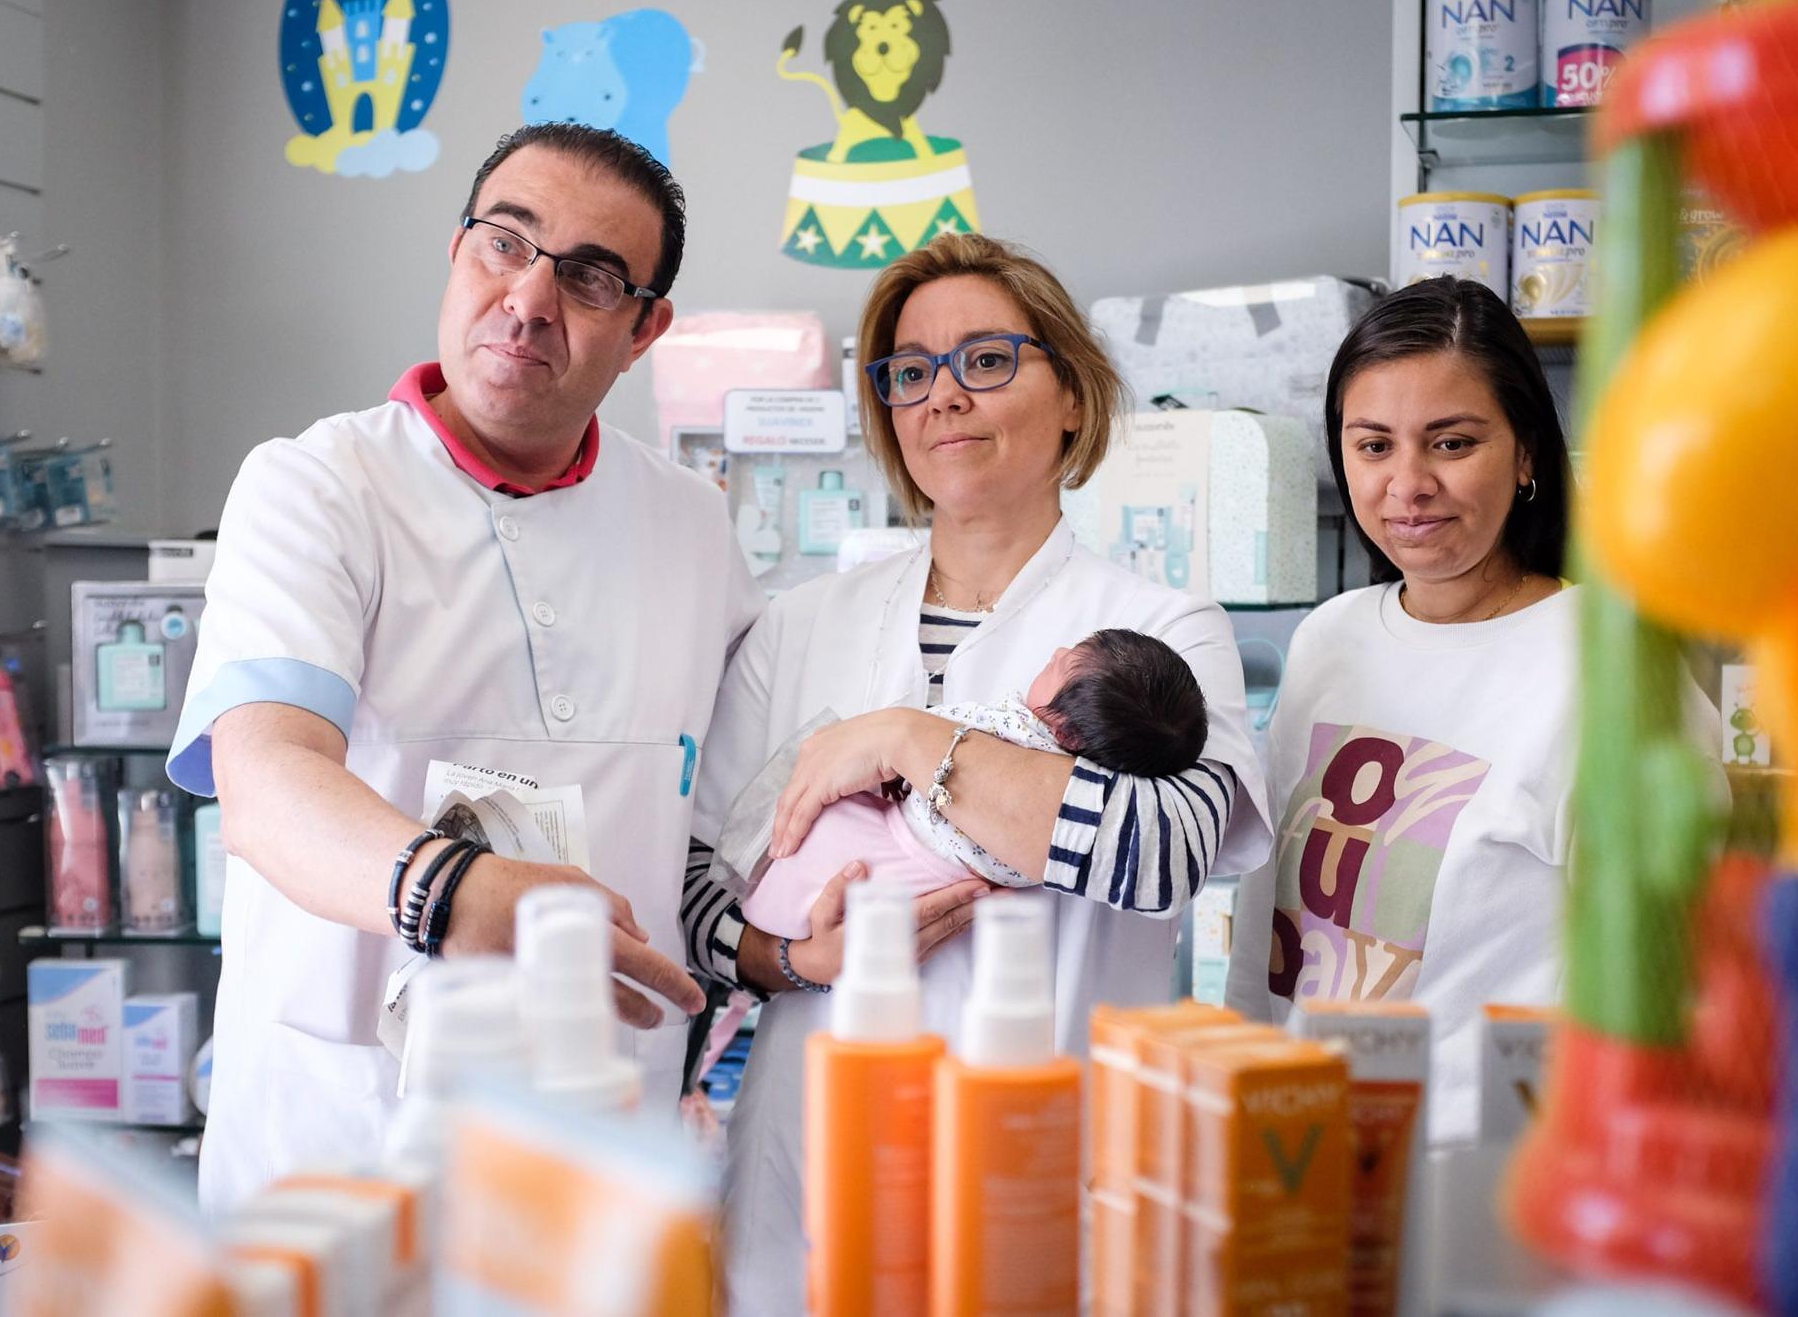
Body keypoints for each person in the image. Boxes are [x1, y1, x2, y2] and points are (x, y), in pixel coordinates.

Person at [165, 123, 762, 1209]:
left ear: (642, 331)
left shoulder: (690, 525)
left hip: (598, 1140)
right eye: (505, 242)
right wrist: (454, 891)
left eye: (588, 276)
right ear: (457, 253)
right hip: (340, 1141)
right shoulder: (316, 486)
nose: (530, 298)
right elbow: (264, 780)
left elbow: (724, 809)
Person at [685, 232, 1272, 1313]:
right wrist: (788, 955)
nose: (942, 396)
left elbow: (1158, 854)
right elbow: (691, 894)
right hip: (810, 1171)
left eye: (986, 360)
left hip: (1054, 1163)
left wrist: (913, 742)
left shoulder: (1160, 627)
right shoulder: (798, 625)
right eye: (909, 372)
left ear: (1070, 397)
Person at [1222, 276, 1716, 1141]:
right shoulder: (1329, 638)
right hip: (1294, 1144)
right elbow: (1273, 920)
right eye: (1373, 446)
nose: (1407, 485)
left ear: (1526, 454)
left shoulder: (1614, 671)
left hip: (1487, 1183)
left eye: (1451, 443)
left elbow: (1685, 988)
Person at [740, 626, 1211, 937]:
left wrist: (901, 736)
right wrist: (792, 964)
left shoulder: (1011, 726)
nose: (1058, 651)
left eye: (1064, 664)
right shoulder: (793, 618)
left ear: (1065, 731)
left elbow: (1164, 855)